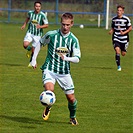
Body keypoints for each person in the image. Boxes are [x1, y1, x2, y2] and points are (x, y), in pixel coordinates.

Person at [32, 13, 81, 125]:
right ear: (61, 23)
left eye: (67, 25)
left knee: (71, 99)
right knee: (49, 90)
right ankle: (48, 105)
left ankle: (72, 117)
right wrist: (34, 59)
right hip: (50, 69)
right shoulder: (52, 35)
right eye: (63, 24)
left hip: (64, 73)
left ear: (72, 24)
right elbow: (40, 43)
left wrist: (67, 58)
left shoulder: (73, 40)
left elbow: (77, 58)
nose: (65, 27)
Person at [21, 1, 48, 67]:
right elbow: (27, 18)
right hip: (30, 32)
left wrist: (40, 26)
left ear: (40, 7)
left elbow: (46, 25)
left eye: (39, 6)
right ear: (34, 7)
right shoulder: (30, 13)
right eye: (36, 6)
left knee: (34, 50)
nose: (37, 8)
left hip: (37, 35)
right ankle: (29, 49)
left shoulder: (42, 15)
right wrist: (24, 25)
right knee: (25, 45)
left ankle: (32, 62)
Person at [109, 5, 132, 71]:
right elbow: (113, 27)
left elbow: (130, 28)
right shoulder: (114, 19)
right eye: (118, 10)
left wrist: (124, 33)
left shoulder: (126, 19)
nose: (118, 12)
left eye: (120, 10)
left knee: (123, 53)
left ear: (123, 12)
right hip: (116, 37)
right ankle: (119, 66)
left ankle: (123, 50)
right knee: (117, 51)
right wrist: (111, 31)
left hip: (124, 39)